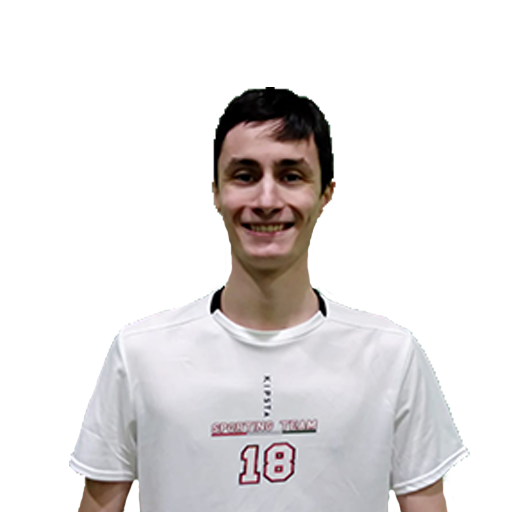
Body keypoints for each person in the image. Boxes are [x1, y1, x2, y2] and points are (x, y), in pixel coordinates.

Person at [70, 89, 466, 511]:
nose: (266, 201)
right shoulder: (140, 353)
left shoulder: (390, 354)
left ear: (325, 197)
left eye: (291, 176)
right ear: (217, 194)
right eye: (245, 176)